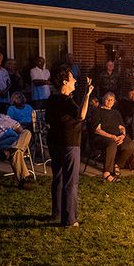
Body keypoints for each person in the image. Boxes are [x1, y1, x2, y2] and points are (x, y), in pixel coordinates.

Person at [46, 67, 94, 227]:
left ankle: (56, 213)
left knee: (58, 178)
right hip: (69, 143)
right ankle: (69, 219)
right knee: (70, 181)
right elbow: (80, 115)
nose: (74, 81)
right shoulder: (65, 100)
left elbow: (48, 120)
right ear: (65, 82)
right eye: (72, 78)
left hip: (54, 142)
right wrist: (87, 95)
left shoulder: (52, 99)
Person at [92, 92, 134, 181]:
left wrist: (122, 136)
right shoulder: (98, 111)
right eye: (108, 99)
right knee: (112, 144)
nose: (110, 101)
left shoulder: (116, 113)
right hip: (103, 137)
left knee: (129, 144)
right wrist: (111, 136)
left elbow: (122, 127)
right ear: (104, 100)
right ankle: (106, 173)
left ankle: (117, 165)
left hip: (117, 136)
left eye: (112, 99)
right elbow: (97, 130)